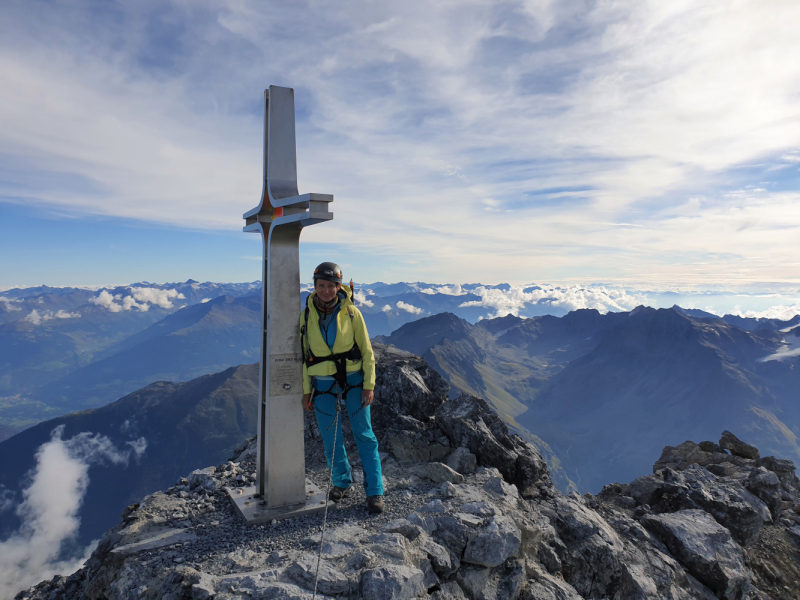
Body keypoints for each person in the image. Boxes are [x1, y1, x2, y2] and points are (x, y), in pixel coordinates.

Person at [300, 262, 384, 514]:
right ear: (314, 286)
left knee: (364, 436)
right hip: (322, 383)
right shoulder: (305, 316)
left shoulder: (351, 313)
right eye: (321, 285)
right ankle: (341, 482)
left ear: (339, 287)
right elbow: (304, 356)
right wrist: (306, 390)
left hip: (354, 380)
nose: (326, 290)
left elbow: (367, 351)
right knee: (330, 437)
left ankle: (375, 491)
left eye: (331, 286)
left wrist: (369, 384)